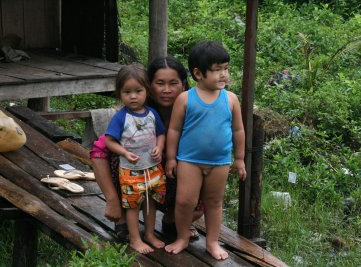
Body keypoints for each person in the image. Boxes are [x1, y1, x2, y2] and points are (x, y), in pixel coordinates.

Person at [90, 56, 202, 249]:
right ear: (150, 86)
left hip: (168, 180)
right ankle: (123, 217)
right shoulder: (136, 114)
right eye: (160, 83)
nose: (166, 90)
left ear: (183, 85)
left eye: (173, 83)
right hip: (134, 179)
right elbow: (99, 150)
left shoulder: (193, 113)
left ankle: (173, 218)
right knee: (118, 157)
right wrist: (112, 200)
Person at [164, 40, 247, 260]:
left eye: (226, 68)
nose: (224, 75)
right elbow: (173, 130)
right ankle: (182, 236)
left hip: (219, 162)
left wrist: (239, 158)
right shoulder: (185, 98)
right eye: (217, 69)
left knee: (214, 203)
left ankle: (211, 242)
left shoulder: (230, 99)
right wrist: (171, 158)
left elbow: (238, 130)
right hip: (189, 161)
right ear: (198, 73)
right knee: (184, 202)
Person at [104, 63, 166, 254]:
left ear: (146, 91)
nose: (133, 96)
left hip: (153, 168)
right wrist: (123, 152)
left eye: (138, 91)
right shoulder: (121, 117)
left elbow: (161, 133)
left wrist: (159, 147)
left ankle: (149, 234)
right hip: (131, 170)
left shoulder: (152, 114)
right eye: (127, 92)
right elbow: (109, 141)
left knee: (151, 201)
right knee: (132, 205)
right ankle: (135, 239)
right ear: (119, 94)